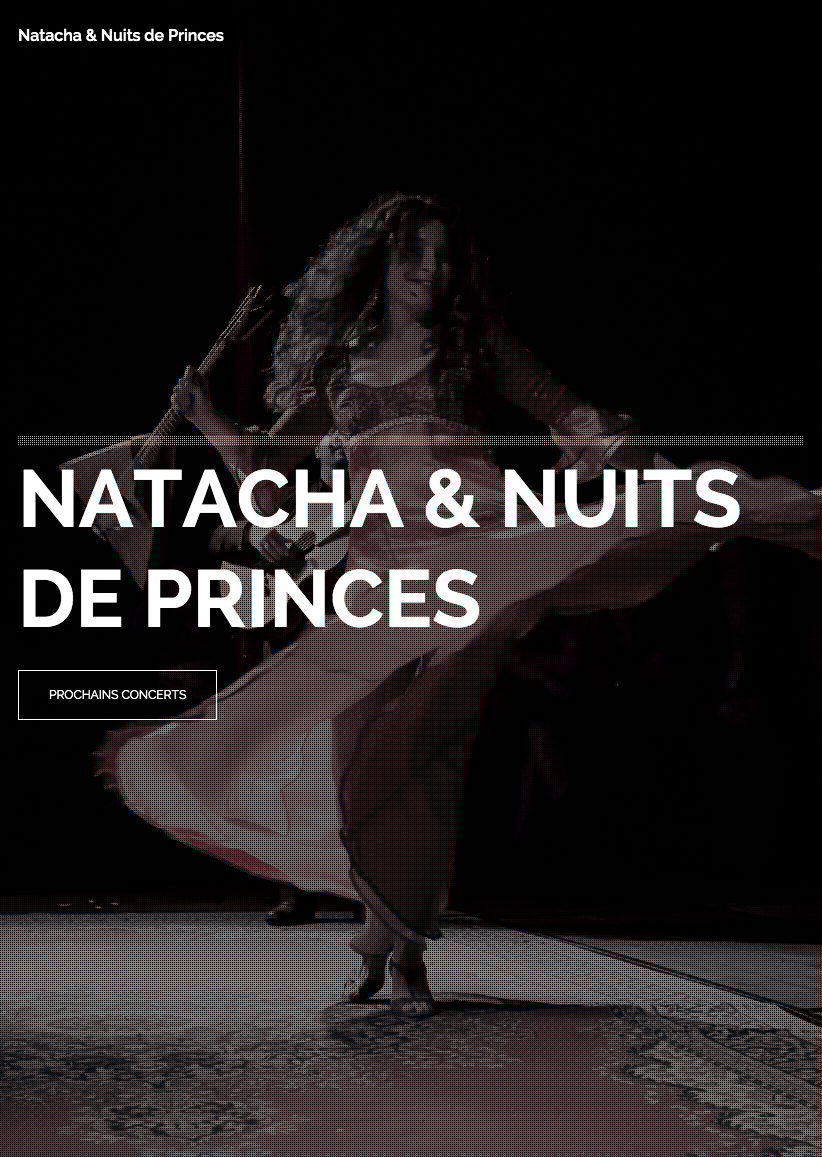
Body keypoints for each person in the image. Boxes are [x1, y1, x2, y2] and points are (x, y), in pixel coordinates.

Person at [96, 192, 821, 1018]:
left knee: (422, 753)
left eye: (445, 256)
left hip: (469, 565)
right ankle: (379, 933)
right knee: (352, 764)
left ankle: (402, 949)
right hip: (374, 584)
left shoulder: (476, 347)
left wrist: (627, 456)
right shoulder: (337, 371)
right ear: (379, 260)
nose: (432, 270)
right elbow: (268, 476)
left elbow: (566, 409)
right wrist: (206, 419)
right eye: (416, 253)